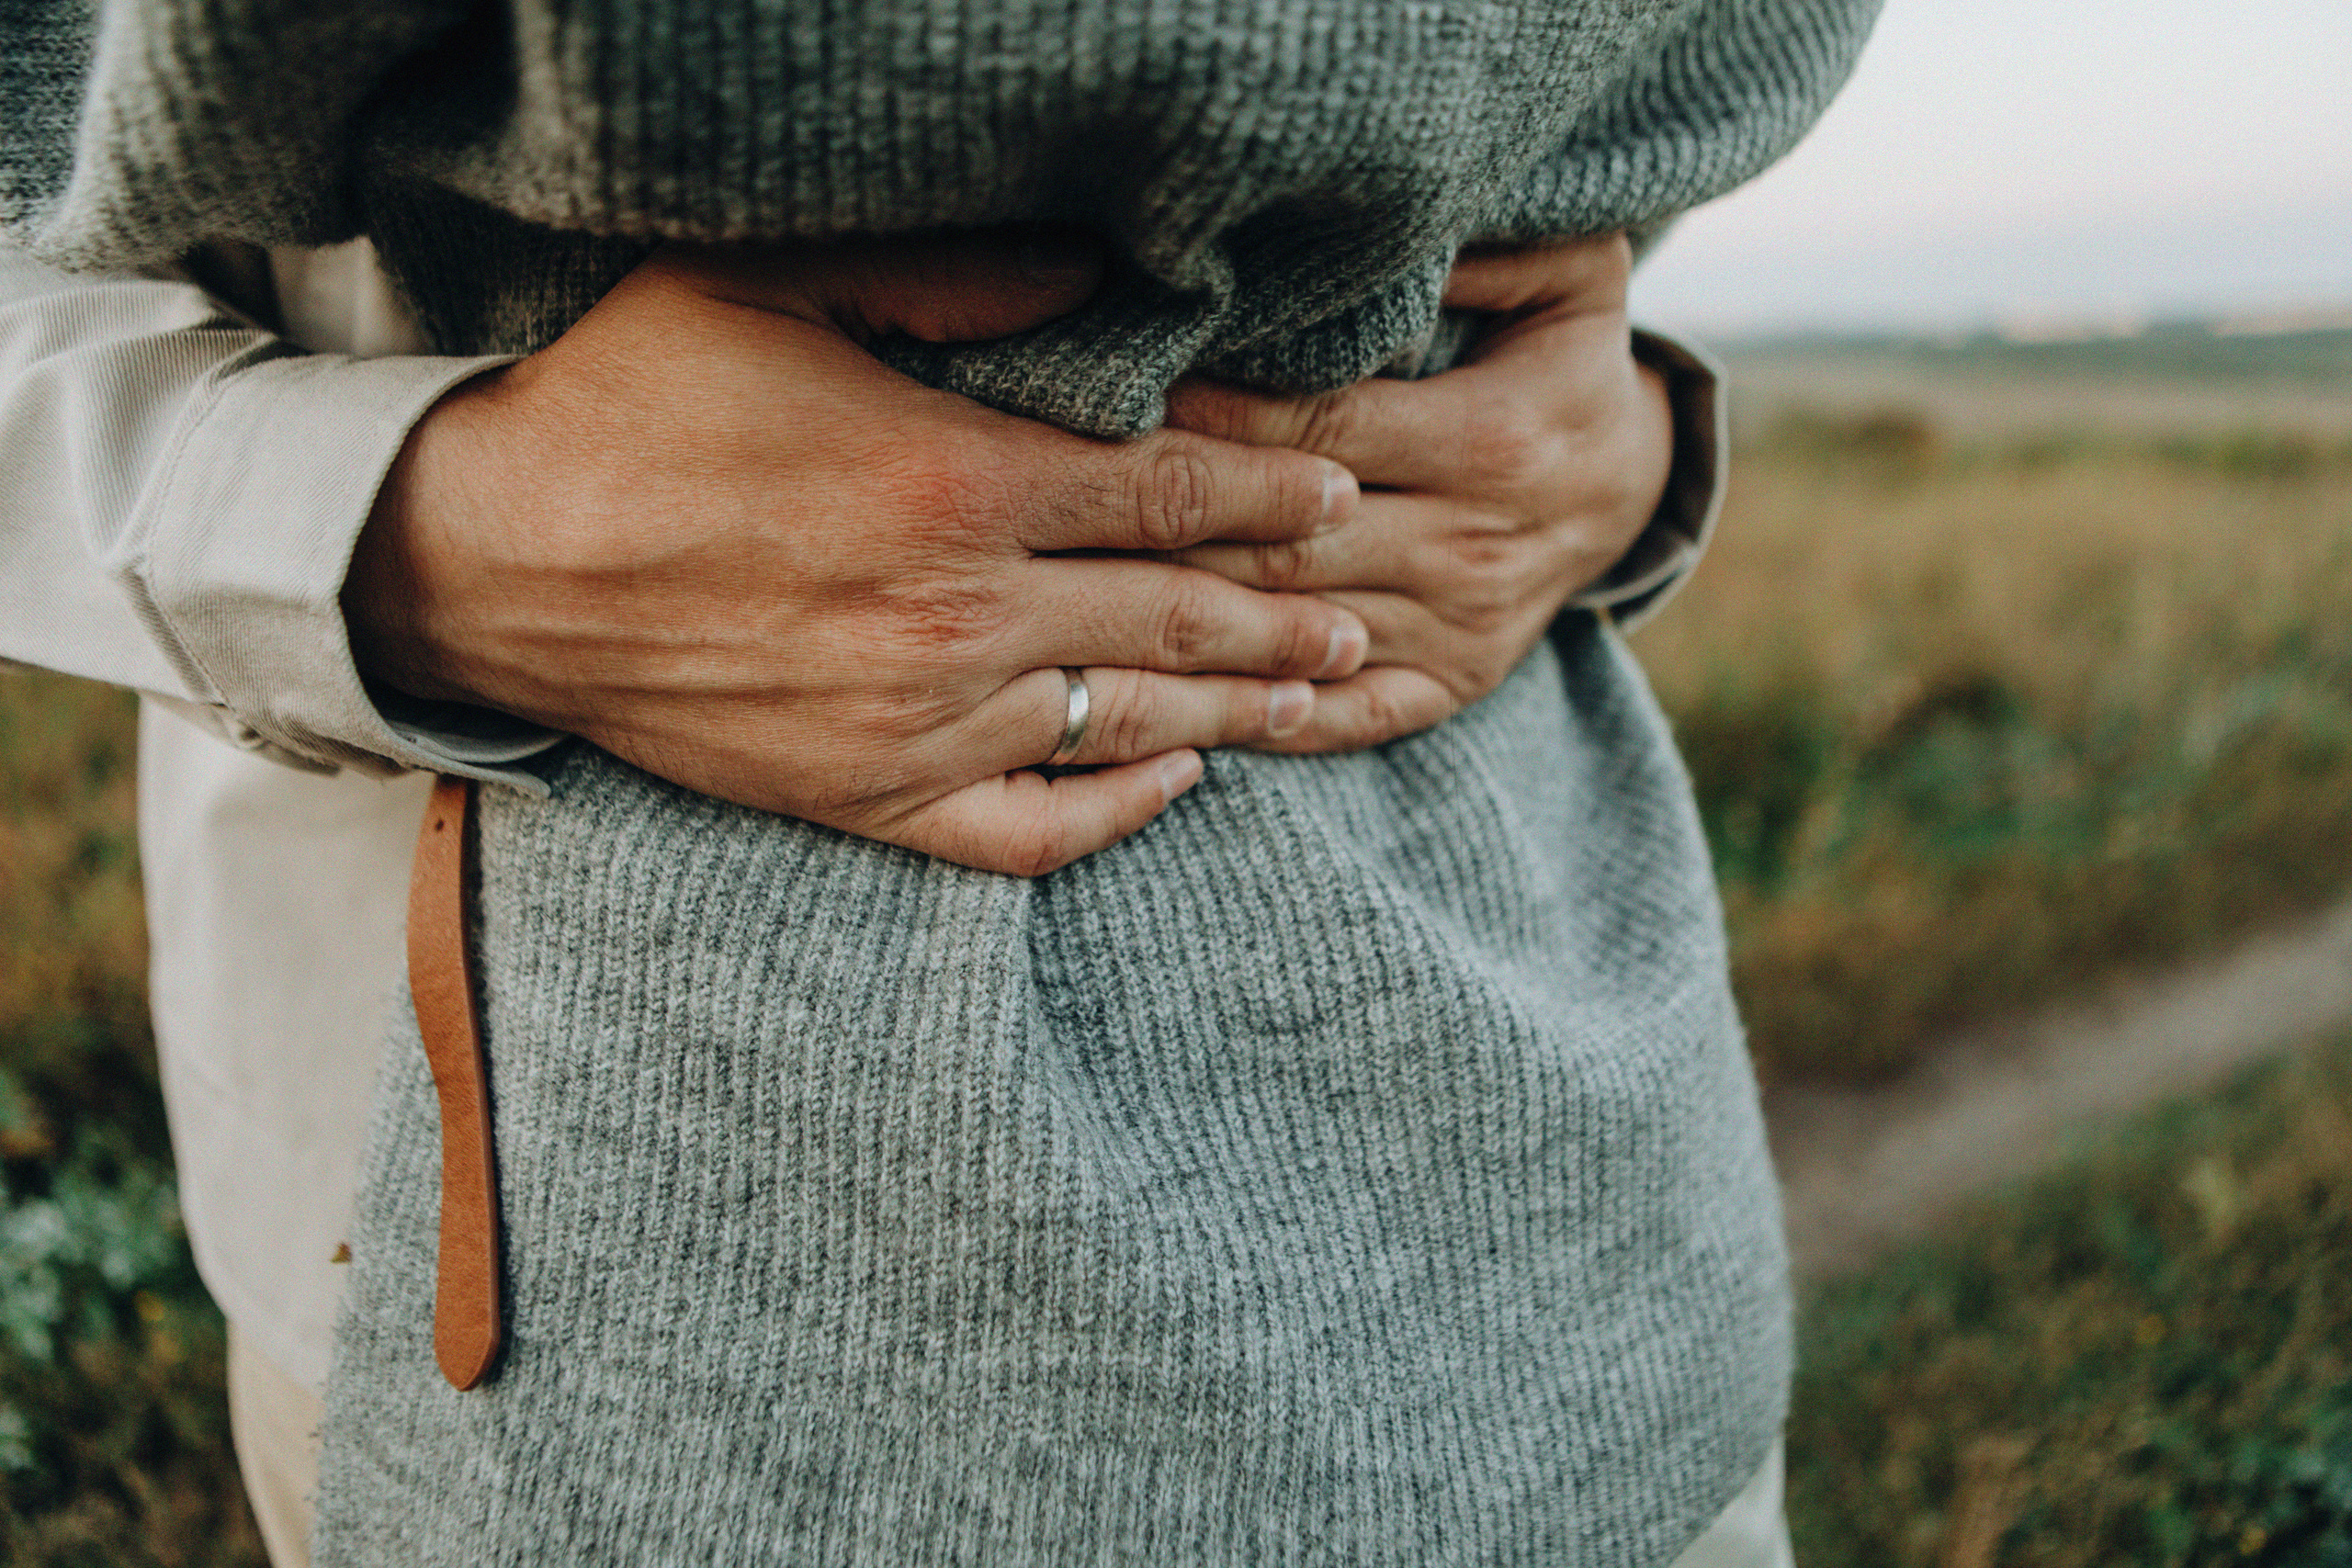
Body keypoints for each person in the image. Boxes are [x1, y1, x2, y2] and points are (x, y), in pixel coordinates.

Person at [0, 0, 1879, 1561]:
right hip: (513, 1247)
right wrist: (401, 527)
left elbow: (1551, 156)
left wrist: (1598, 431)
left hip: (1556, 1215)